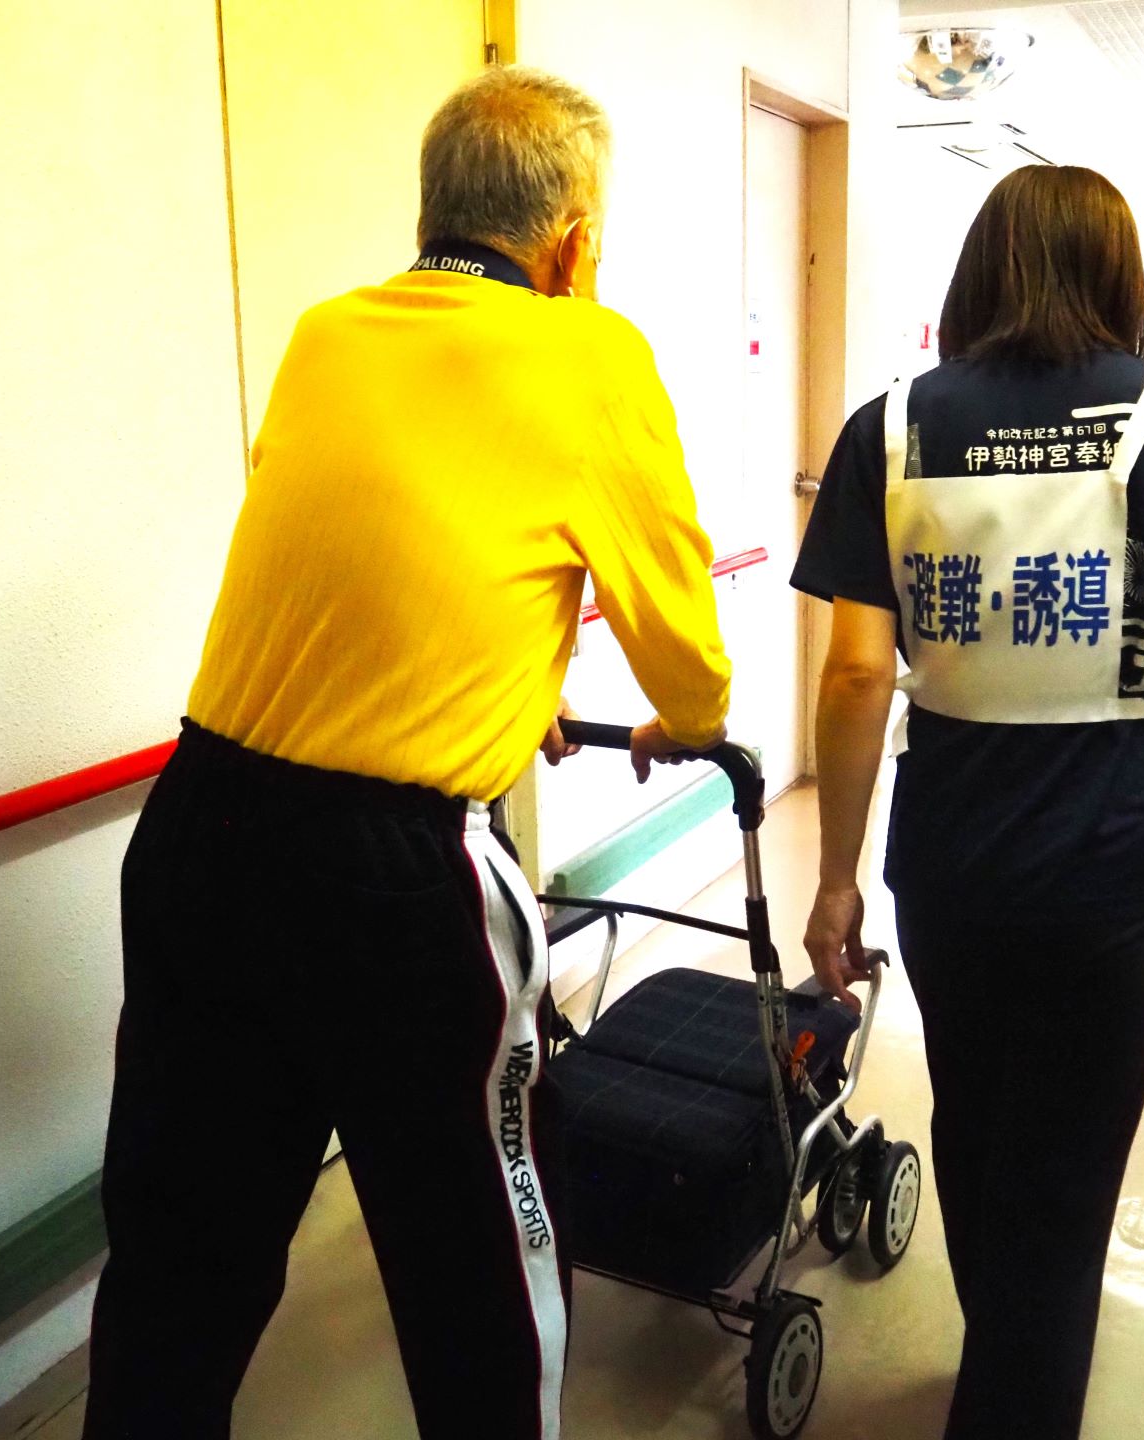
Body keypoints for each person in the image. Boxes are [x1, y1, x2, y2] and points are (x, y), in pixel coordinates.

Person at [82, 67, 731, 1440]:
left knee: (178, 1268)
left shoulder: (326, 334)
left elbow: (366, 546)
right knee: (477, 1273)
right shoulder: (591, 352)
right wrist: (683, 720)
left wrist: (502, 677)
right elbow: (689, 663)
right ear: (574, 241)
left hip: (199, 829)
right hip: (394, 885)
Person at [793, 165, 1144, 1439]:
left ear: (980, 272)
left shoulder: (889, 429)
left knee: (973, 1122)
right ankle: (1020, 1396)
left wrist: (837, 879)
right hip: (1119, 847)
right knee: (1071, 1168)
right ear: (1121, 275)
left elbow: (856, 675)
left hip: (952, 845)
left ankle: (1001, 1360)